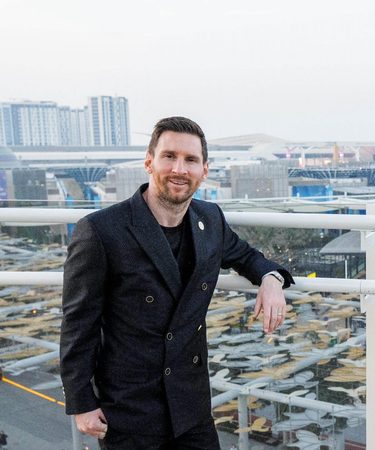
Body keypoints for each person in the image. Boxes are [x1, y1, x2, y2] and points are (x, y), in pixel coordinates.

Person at [59, 117, 293, 449]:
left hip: (191, 406)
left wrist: (271, 279)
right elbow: (77, 323)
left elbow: (246, 256)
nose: (179, 169)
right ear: (149, 162)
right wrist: (81, 402)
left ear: (204, 170)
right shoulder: (101, 230)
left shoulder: (210, 220)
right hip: (129, 408)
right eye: (169, 156)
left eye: (190, 160)